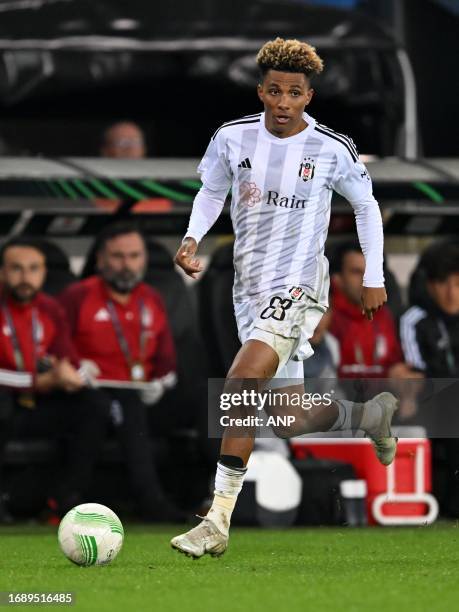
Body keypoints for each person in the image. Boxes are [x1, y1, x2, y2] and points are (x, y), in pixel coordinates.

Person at [170, 37, 398, 558]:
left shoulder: (331, 149)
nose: (282, 102)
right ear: (261, 91)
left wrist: (373, 275)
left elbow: (367, 207)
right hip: (248, 287)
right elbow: (211, 192)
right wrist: (191, 238)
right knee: (286, 414)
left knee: (241, 381)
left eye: (293, 93)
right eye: (273, 91)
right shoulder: (232, 138)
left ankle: (217, 518)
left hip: (298, 284)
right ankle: (369, 418)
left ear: (308, 97)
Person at [58, 221, 184, 522]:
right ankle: (145, 500)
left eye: (134, 256)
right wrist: (75, 366)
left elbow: (166, 359)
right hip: (87, 393)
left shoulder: (152, 298)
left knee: (149, 406)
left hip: (139, 393)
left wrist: (163, 382)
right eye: (118, 256)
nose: (127, 265)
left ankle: (193, 495)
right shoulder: (78, 295)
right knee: (111, 407)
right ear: (100, 260)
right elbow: (56, 342)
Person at [0, 238, 107, 523]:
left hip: (36, 407)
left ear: (44, 272)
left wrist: (78, 375)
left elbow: (68, 361)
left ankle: (65, 499)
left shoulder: (49, 308)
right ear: (2, 272)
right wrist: (39, 381)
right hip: (7, 402)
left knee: (93, 405)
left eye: (33, 269)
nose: (26, 278)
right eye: (16, 269)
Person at [400, 241, 459, 515]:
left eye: (458, 284)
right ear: (429, 284)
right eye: (444, 284)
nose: (452, 293)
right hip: (433, 406)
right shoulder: (414, 320)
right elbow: (419, 373)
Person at [330, 241, 416, 379]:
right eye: (356, 272)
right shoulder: (324, 318)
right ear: (337, 279)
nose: (366, 279)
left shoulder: (385, 316)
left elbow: (395, 365)